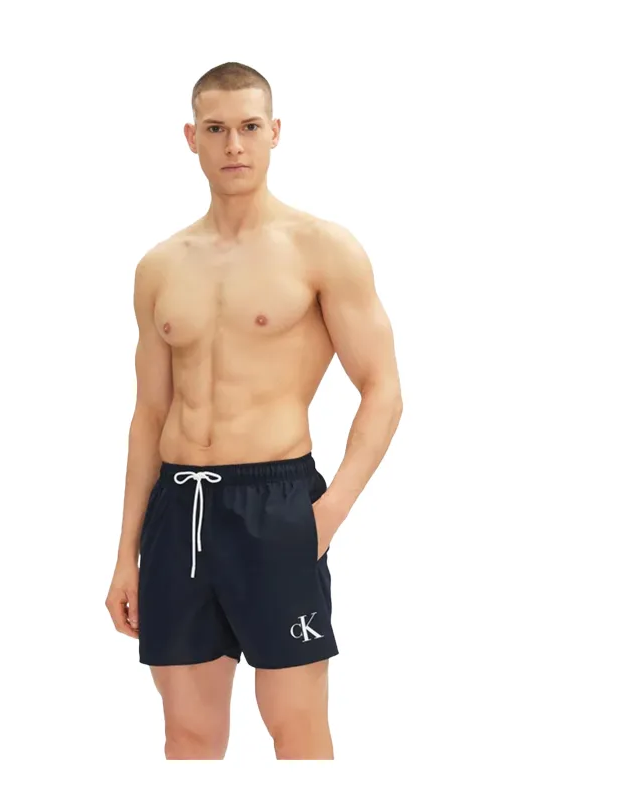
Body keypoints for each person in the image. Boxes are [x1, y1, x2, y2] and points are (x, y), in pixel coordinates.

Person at [105, 61, 403, 760]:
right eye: (216, 129)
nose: (233, 144)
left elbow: (383, 389)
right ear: (192, 137)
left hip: (277, 504)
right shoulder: (160, 266)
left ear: (275, 133)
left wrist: (329, 513)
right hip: (179, 509)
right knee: (188, 733)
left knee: (296, 728)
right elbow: (148, 415)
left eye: (248, 127)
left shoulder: (322, 248)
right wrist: (126, 554)